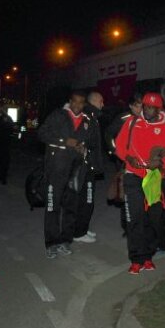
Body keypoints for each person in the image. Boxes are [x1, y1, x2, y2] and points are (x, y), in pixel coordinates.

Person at [115, 92, 165, 274]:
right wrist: (129, 158)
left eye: (151, 107)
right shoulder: (132, 123)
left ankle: (148, 257)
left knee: (153, 219)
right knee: (135, 218)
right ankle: (136, 259)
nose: (147, 110)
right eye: (145, 106)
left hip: (154, 179)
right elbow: (120, 147)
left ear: (159, 109)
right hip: (133, 176)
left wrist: (161, 164)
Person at [38, 91, 101, 258]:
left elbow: (93, 142)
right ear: (69, 101)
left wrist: (84, 148)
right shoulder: (58, 115)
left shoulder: (87, 120)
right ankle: (51, 243)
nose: (77, 106)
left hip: (76, 171)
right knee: (53, 206)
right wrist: (63, 141)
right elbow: (42, 133)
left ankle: (65, 241)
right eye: (75, 102)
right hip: (56, 169)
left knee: (71, 207)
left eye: (81, 103)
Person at [105, 94, 144, 236]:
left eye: (142, 105)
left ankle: (140, 224)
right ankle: (127, 227)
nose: (141, 109)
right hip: (124, 161)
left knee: (142, 193)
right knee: (125, 191)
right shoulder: (123, 118)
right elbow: (109, 134)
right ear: (131, 106)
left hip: (141, 162)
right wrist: (115, 151)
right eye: (138, 106)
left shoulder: (147, 118)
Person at [73, 91, 105, 243]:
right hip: (86, 167)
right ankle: (79, 233)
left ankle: (82, 228)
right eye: (101, 101)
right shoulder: (88, 117)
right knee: (87, 200)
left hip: (89, 165)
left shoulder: (92, 116)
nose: (103, 104)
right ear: (95, 101)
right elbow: (83, 141)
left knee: (86, 199)